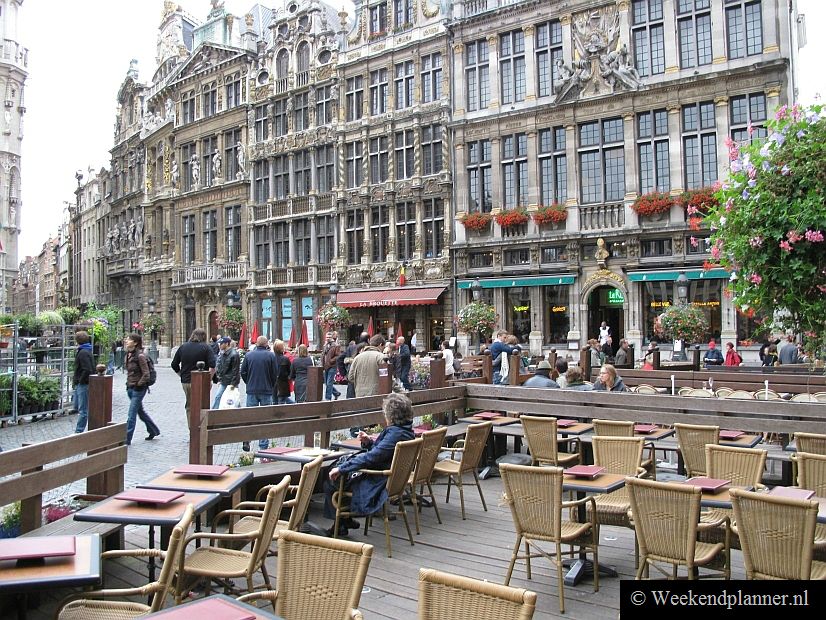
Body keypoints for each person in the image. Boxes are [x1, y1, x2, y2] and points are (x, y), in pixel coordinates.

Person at [323, 392, 415, 536]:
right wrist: (369, 442)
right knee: (340, 473)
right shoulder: (406, 431)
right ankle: (344, 520)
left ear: (391, 416)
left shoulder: (395, 434)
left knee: (331, 479)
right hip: (392, 478)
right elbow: (381, 453)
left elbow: (372, 457)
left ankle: (340, 522)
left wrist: (341, 469)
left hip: (378, 480)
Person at [240, 336, 279, 451]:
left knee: (250, 417)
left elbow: (243, 372)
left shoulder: (248, 355)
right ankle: (263, 445)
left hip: (252, 390)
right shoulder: (271, 356)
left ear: (256, 344)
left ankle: (247, 439)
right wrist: (271, 385)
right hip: (266, 390)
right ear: (266, 344)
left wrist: (249, 382)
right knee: (265, 418)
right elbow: (275, 373)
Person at [123, 333, 161, 445]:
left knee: (132, 413)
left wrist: (139, 384)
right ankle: (153, 430)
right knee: (140, 412)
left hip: (138, 389)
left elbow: (146, 374)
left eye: (129, 340)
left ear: (135, 343)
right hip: (130, 388)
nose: (126, 341)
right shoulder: (128, 355)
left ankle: (126, 438)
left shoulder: (140, 356)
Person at [171, 328, 216, 419]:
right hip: (202, 381)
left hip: (186, 381)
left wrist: (181, 374)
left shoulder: (183, 347)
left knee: (190, 405)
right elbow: (213, 366)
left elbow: (174, 364)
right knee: (202, 405)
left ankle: (192, 429)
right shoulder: (206, 347)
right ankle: (201, 428)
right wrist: (208, 379)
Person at [72, 330, 96, 433]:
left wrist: (80, 381)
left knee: (83, 410)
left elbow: (87, 369)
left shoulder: (83, 352)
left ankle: (78, 431)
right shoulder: (86, 350)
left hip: (83, 384)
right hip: (82, 383)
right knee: (79, 407)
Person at [212, 337, 240, 409]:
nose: (220, 345)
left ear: (227, 344)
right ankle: (214, 412)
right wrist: (219, 379)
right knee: (220, 397)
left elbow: (235, 371)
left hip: (230, 382)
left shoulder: (234, 354)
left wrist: (233, 384)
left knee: (232, 399)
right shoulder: (223, 354)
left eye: (221, 344)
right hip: (224, 381)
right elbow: (221, 368)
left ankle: (214, 412)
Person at [271, 340, 294, 404]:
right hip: (283, 385)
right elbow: (290, 371)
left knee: (274, 402)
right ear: (282, 348)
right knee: (282, 402)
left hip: (273, 384)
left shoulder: (271, 358)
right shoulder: (285, 359)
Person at [322, 331, 340, 401]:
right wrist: (322, 364)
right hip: (326, 366)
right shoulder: (325, 345)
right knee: (327, 383)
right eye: (326, 337)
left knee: (329, 383)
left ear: (332, 337)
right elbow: (323, 355)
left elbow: (338, 356)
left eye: (329, 337)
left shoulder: (336, 345)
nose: (327, 338)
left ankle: (327, 398)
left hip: (332, 366)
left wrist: (330, 361)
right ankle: (336, 393)